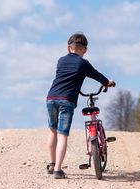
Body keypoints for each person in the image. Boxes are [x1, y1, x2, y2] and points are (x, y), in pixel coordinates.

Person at [46, 32, 115, 179]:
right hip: (66, 100)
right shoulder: (83, 63)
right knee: (62, 134)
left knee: (52, 131)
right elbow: (98, 76)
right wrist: (107, 82)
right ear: (85, 50)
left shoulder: (60, 61)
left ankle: (52, 164)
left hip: (51, 97)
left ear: (68, 48)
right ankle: (58, 170)